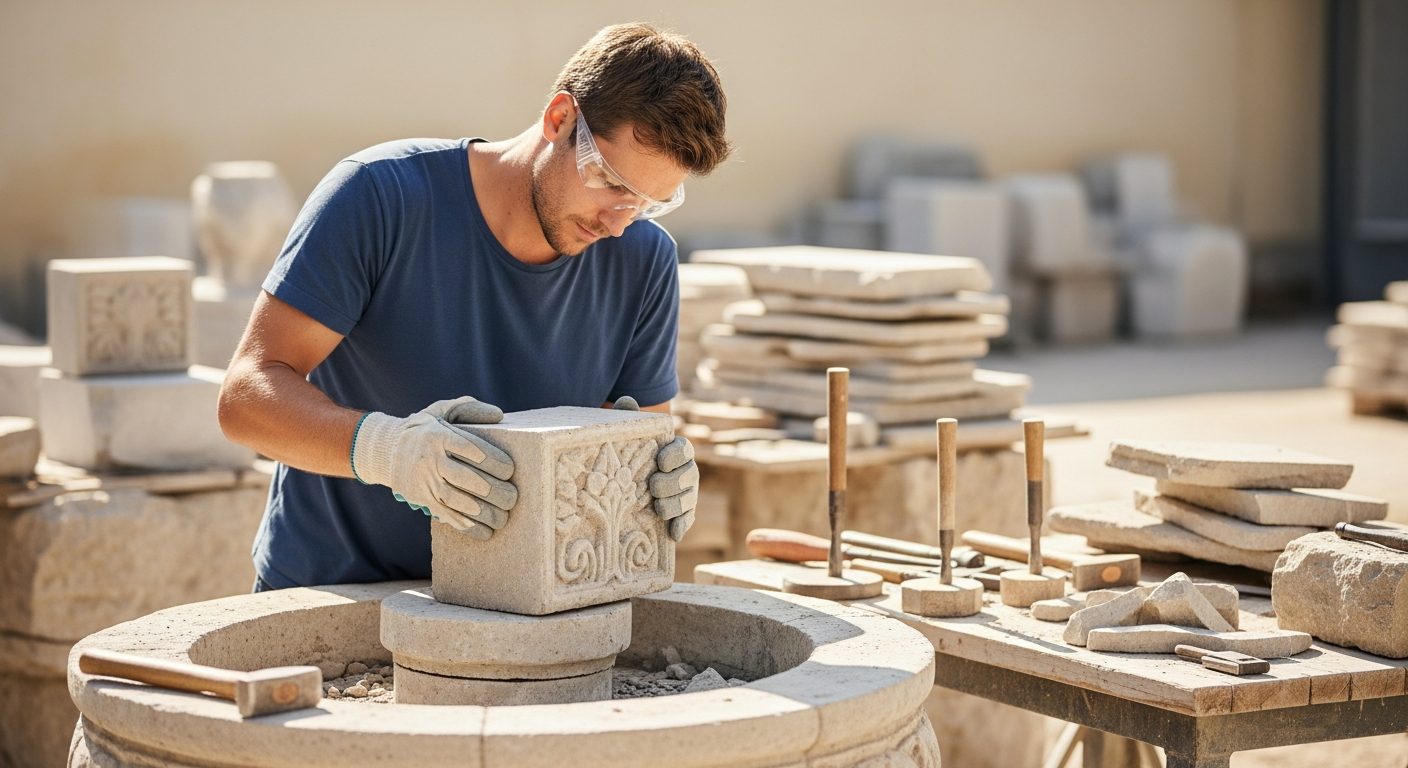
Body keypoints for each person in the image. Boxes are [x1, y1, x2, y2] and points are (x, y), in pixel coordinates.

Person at [217, 23, 730, 591]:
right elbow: (245, 398)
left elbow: (638, 442)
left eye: (648, 203)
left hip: (517, 613)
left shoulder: (643, 260)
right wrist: (388, 451)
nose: (618, 221)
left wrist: (658, 475)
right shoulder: (381, 198)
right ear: (560, 119)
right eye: (608, 181)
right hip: (330, 596)